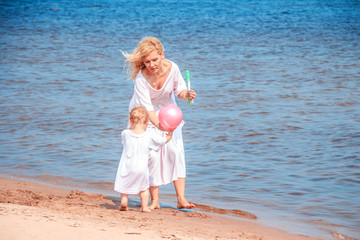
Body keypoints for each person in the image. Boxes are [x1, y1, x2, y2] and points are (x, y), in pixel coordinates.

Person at [122, 36, 196, 209]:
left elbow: (179, 90)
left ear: (162, 55)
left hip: (169, 112)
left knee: (175, 152)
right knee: (151, 156)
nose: (152, 64)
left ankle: (181, 199)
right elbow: (147, 109)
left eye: (155, 59)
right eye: (147, 61)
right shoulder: (141, 78)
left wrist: (187, 96)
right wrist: (160, 126)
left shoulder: (173, 68)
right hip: (143, 114)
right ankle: (154, 201)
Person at [114, 105, 173, 213]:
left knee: (124, 187)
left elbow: (124, 143)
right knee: (143, 188)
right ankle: (144, 207)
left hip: (127, 167)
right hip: (141, 168)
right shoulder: (149, 136)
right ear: (147, 123)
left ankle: (124, 202)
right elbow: (162, 141)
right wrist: (170, 134)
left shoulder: (125, 134)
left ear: (130, 122)